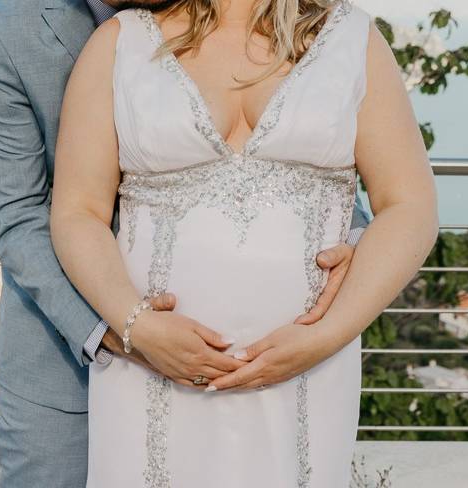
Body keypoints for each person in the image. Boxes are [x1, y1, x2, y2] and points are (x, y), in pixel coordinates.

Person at [0, 0, 371, 486]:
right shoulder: (8, 31)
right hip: (67, 349)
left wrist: (357, 243)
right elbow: (16, 212)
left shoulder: (278, 21)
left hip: (269, 371)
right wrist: (123, 329)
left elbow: (308, 162)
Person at [50, 0, 438, 486]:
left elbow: (410, 207)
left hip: (308, 371)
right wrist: (138, 326)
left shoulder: (352, 38)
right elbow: (77, 211)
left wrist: (326, 335)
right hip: (151, 372)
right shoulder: (117, 43)